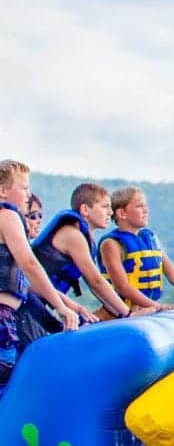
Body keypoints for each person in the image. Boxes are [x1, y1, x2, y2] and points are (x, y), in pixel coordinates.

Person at [0, 161, 82, 386]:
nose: (28, 194)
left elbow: (23, 281)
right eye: (24, 187)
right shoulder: (7, 215)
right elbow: (29, 264)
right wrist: (61, 308)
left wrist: (68, 303)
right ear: (2, 190)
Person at [31, 183, 150, 320]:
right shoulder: (73, 235)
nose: (110, 212)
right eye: (105, 207)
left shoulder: (83, 238)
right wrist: (129, 314)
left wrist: (121, 314)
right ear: (85, 210)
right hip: (28, 302)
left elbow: (95, 287)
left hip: (38, 302)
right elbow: (96, 281)